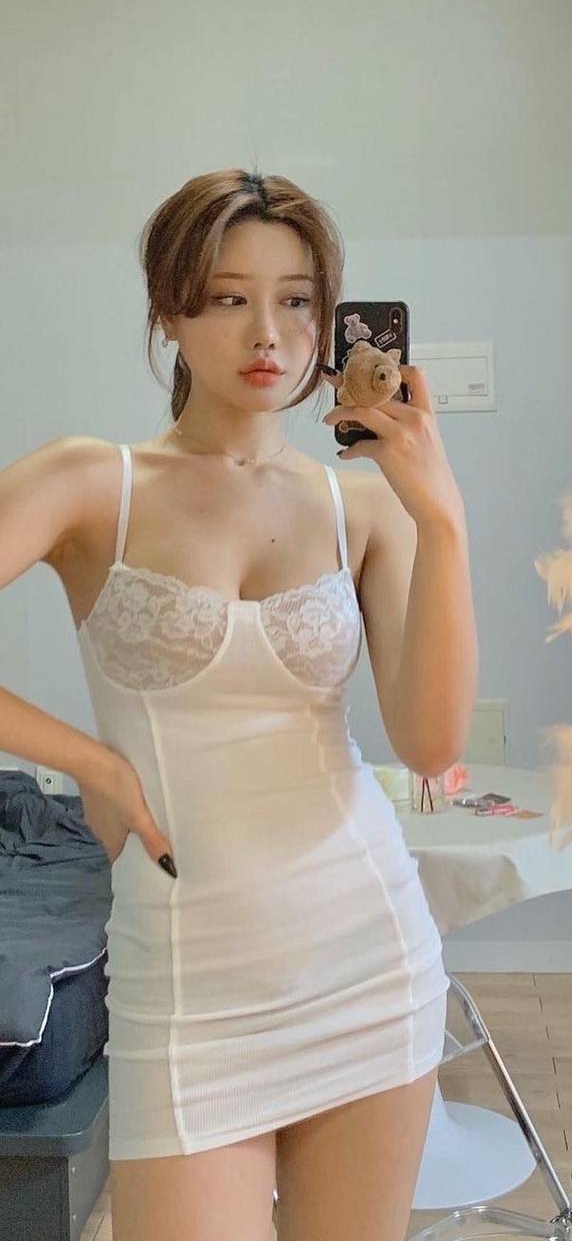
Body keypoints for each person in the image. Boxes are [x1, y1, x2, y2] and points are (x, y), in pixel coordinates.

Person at [0, 168, 478, 1240]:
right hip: (188, 982)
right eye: (227, 298)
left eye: (297, 300)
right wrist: (89, 759)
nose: (268, 333)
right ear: (170, 312)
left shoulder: (364, 506)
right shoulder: (92, 483)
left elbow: (430, 738)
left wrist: (443, 522)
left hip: (368, 957)